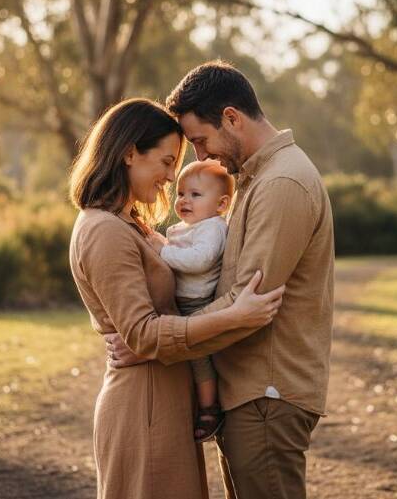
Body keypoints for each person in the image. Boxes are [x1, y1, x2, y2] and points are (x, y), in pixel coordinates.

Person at [106, 61, 335, 499]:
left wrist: (154, 344)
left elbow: (246, 304)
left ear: (231, 118)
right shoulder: (257, 178)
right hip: (249, 392)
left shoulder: (282, 182)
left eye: (199, 141)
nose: (200, 157)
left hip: (267, 393)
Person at [68, 97, 285, 499]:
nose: (171, 177)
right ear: (130, 152)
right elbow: (143, 335)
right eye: (167, 162)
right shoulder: (104, 230)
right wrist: (234, 316)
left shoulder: (132, 225)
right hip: (143, 408)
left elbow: (150, 329)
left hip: (161, 401)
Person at [145, 159, 235, 441]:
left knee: (198, 356)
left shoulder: (213, 228)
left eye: (195, 195)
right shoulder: (186, 227)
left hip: (197, 303)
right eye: (181, 193)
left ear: (221, 205)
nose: (184, 200)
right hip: (178, 301)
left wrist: (162, 251)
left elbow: (200, 260)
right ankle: (194, 401)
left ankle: (210, 407)